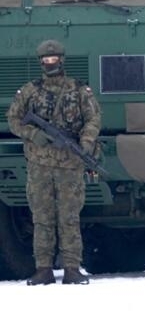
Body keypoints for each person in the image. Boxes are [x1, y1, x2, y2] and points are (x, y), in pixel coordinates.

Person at [7, 39, 102, 286]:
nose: (50, 64)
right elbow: (14, 120)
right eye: (46, 61)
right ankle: (44, 269)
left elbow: (93, 118)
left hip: (70, 165)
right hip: (40, 165)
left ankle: (72, 268)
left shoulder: (79, 90)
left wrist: (87, 141)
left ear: (62, 60)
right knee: (42, 218)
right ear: (41, 63)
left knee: (69, 218)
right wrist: (33, 134)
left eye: (54, 60)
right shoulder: (29, 91)